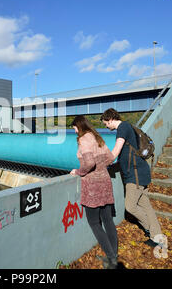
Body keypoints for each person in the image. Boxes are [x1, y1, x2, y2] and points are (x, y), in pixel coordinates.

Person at [100, 108, 162, 247]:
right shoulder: (127, 127)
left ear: (110, 119)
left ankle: (152, 231)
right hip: (140, 172)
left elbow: (116, 150)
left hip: (135, 175)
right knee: (146, 206)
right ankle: (157, 236)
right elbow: (124, 153)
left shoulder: (123, 128)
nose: (106, 126)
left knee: (130, 207)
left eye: (106, 123)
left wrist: (101, 164)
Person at [69, 115, 118, 269]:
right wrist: (100, 167)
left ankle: (111, 258)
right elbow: (110, 158)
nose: (75, 131)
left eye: (75, 128)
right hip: (105, 182)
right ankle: (114, 257)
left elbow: (89, 163)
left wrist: (78, 171)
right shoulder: (97, 137)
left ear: (79, 126)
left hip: (93, 187)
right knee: (108, 220)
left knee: (94, 223)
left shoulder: (84, 139)